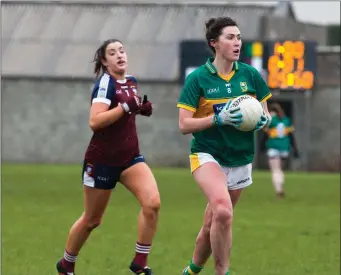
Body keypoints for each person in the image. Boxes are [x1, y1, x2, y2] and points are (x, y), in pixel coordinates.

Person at [56, 39, 160, 275]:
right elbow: (95, 122)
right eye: (112, 53)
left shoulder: (131, 81)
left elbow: (127, 110)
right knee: (92, 220)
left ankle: (139, 264)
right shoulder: (105, 83)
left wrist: (140, 108)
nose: (119, 55)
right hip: (102, 161)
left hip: (130, 158)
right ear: (104, 61)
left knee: (152, 204)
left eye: (122, 50)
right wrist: (125, 108)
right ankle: (66, 265)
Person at [177, 17, 272, 275]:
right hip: (207, 155)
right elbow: (184, 125)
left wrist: (263, 120)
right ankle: (223, 272)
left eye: (239, 37)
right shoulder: (198, 79)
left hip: (240, 157)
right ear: (214, 43)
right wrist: (217, 118)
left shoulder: (251, 75)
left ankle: (192, 270)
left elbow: (266, 115)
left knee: (212, 223)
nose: (237, 42)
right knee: (223, 211)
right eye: (230, 37)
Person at [260, 103, 300, 199]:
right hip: (284, 149)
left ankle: (279, 190)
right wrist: (295, 149)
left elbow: (266, 135)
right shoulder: (286, 121)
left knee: (275, 170)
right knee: (280, 169)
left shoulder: (271, 121)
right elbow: (291, 136)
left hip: (273, 148)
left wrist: (262, 147)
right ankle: (281, 186)